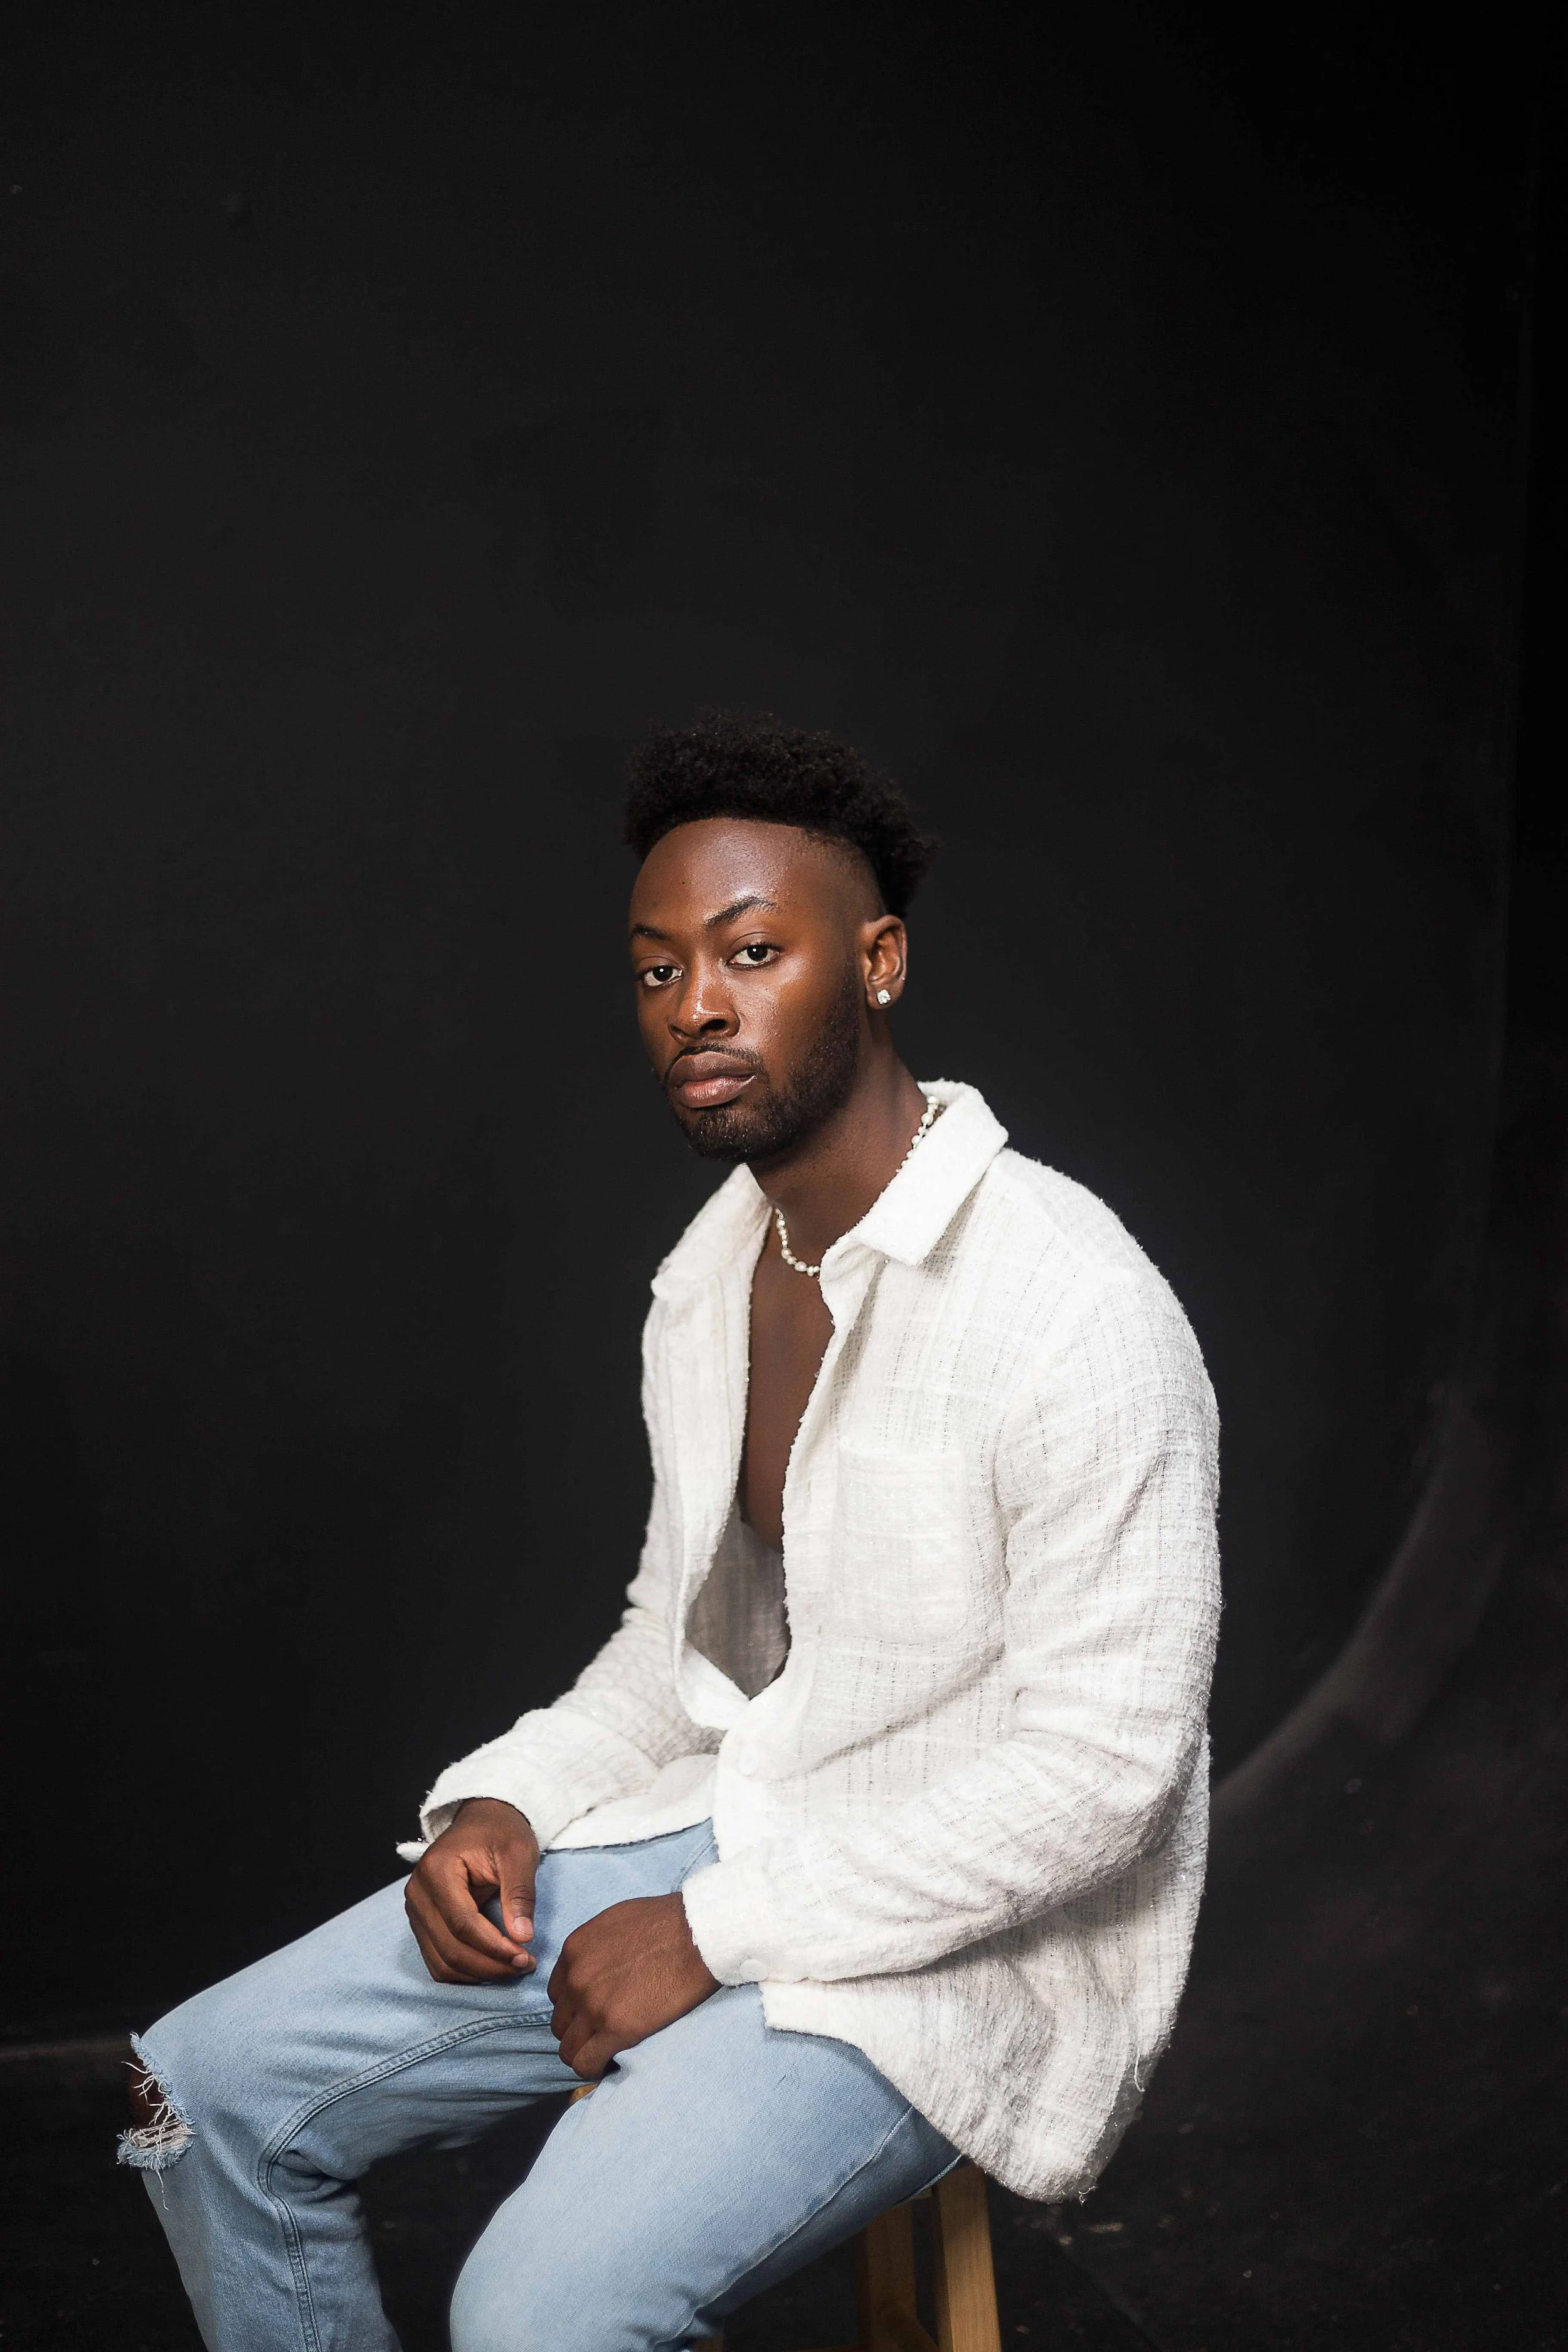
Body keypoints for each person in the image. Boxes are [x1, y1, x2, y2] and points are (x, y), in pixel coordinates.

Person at [121, 711, 1221, 2352]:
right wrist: (502, 1795)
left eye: (751, 950)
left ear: (879, 961)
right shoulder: (715, 1273)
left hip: (966, 1947)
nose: (696, 1003)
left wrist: (710, 1931)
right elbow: (679, 1642)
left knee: (539, 2309)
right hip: (748, 1823)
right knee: (200, 2091)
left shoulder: (1071, 1305)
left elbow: (1102, 1784)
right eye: (655, 970)